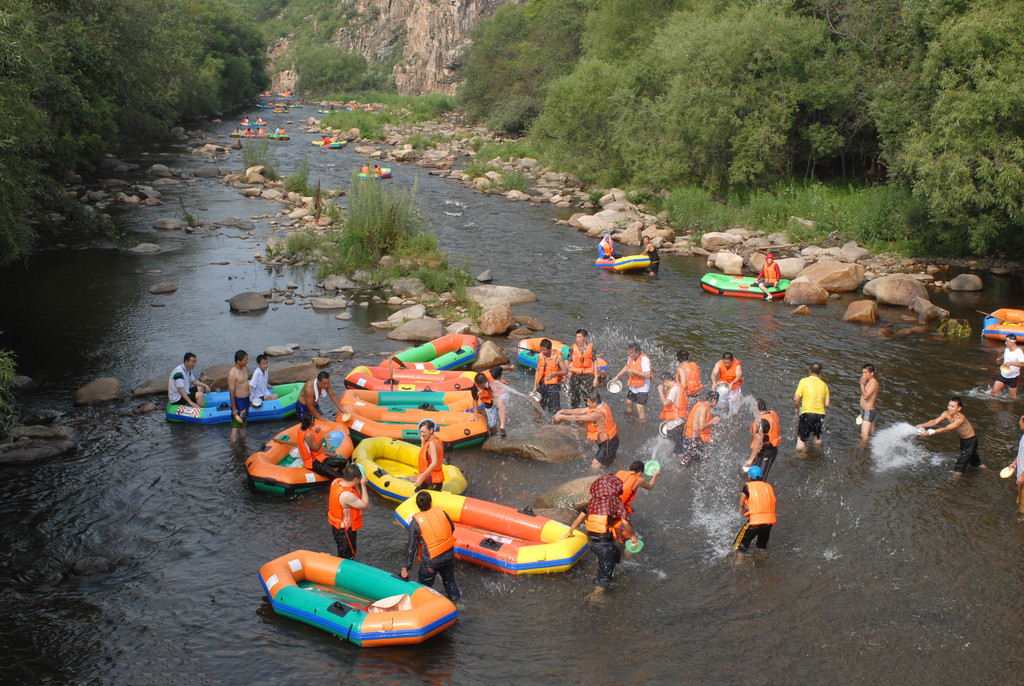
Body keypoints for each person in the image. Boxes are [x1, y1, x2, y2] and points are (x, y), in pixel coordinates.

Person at [561, 473, 638, 595]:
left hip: (592, 539)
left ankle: (603, 569)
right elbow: (625, 522)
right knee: (604, 581)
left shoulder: (592, 501)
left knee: (616, 553)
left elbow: (579, 519)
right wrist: (633, 536)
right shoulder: (615, 501)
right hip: (604, 543)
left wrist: (569, 532)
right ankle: (596, 597)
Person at [400, 491, 460, 601]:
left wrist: (406, 567)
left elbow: (412, 547)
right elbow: (452, 528)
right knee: (449, 581)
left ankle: (426, 606)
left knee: (424, 586)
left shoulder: (415, 522)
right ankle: (457, 604)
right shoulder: (441, 512)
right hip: (449, 554)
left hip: (432, 560)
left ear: (418, 506)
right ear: (431, 502)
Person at [917, 396, 988, 476]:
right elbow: (935, 421)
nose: (949, 408)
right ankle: (988, 472)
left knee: (960, 465)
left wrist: (930, 432)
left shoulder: (960, 419)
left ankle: (953, 481)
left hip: (971, 441)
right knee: (976, 462)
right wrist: (923, 425)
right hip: (963, 440)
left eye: (953, 406)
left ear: (959, 408)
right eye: (949, 405)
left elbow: (946, 429)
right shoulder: (946, 413)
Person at [553, 392, 619, 469]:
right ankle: (614, 470)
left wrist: (562, 417)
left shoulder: (597, 414)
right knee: (610, 463)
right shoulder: (600, 405)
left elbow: (579, 418)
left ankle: (594, 479)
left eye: (588, 402)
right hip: (610, 440)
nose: (587, 404)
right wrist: (564, 411)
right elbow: (581, 411)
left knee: (595, 466)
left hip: (608, 443)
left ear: (594, 402)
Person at [328, 464, 369, 559]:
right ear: (355, 480)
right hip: (345, 532)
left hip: (336, 527)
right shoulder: (346, 495)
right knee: (349, 556)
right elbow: (365, 505)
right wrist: (363, 486)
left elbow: (356, 494)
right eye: (359, 480)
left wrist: (358, 482)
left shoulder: (336, 482)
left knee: (341, 553)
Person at [733, 466, 776, 552]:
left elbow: (741, 502)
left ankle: (738, 563)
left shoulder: (747, 487)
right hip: (768, 523)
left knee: (739, 546)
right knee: (761, 547)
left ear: (749, 477)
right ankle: (762, 561)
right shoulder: (768, 486)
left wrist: (741, 507)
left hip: (755, 522)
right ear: (762, 475)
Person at [296, 413, 348, 481]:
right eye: (314, 420)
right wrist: (322, 439)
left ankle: (346, 477)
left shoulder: (303, 430)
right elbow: (316, 449)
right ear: (312, 422)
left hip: (319, 458)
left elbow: (310, 441)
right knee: (339, 478)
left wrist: (316, 432)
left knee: (345, 462)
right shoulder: (307, 435)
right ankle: (343, 481)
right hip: (314, 463)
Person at [611, 342, 652, 421]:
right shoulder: (631, 357)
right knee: (628, 403)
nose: (630, 355)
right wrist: (618, 376)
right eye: (629, 353)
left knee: (639, 408)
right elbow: (627, 367)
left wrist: (634, 371)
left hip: (643, 387)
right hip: (633, 385)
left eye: (632, 354)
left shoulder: (644, 360)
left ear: (638, 352)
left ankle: (642, 425)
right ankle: (629, 419)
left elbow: (648, 375)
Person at [794, 362, 830, 450]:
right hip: (820, 414)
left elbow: (796, 398)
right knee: (816, 437)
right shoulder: (824, 385)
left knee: (801, 439)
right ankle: (817, 452)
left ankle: (800, 456)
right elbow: (827, 404)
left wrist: (797, 408)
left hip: (807, 413)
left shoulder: (804, 381)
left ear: (810, 371)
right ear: (820, 372)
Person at [745, 398, 781, 477]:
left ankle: (758, 487)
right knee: (758, 473)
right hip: (773, 450)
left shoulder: (762, 422)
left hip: (766, 452)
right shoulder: (772, 414)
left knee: (758, 476)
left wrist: (751, 459)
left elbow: (758, 441)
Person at [682, 390, 720, 465]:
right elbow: (701, 427)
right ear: (715, 401)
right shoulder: (703, 409)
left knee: (704, 458)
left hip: (695, 438)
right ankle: (679, 472)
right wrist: (713, 421)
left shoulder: (701, 405)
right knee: (685, 462)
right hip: (692, 439)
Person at [531, 339, 567, 416]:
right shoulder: (540, 356)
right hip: (541, 385)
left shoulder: (558, 357)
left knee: (554, 409)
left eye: (544, 350)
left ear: (550, 349)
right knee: (537, 407)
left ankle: (555, 425)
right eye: (541, 349)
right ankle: (537, 425)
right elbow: (537, 371)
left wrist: (555, 373)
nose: (543, 352)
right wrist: (535, 386)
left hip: (553, 386)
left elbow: (565, 371)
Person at [658, 373, 688, 461]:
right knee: (676, 445)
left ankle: (682, 466)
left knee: (678, 450)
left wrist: (661, 392)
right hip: (680, 422)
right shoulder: (679, 386)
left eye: (664, 384)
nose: (665, 386)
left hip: (674, 423)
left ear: (666, 381)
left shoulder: (673, 390)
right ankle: (678, 461)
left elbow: (666, 402)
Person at [568, 329, 599, 409]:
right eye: (577, 337)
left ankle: (589, 415)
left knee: (588, 398)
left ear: (585, 338)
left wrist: (596, 378)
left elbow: (595, 362)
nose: (578, 339)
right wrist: (564, 374)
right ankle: (574, 417)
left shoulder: (591, 348)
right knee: (574, 398)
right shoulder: (572, 348)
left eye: (580, 337)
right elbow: (568, 361)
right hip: (575, 376)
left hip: (588, 376)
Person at [473, 372, 508, 438]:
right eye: (480, 387)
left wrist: (510, 368)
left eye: (483, 386)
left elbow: (501, 367)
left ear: (486, 381)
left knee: (501, 403)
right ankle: (494, 436)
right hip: (489, 402)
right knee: (492, 426)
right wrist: (475, 416)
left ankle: (502, 427)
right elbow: (475, 401)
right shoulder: (475, 388)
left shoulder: (493, 373)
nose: (482, 388)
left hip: (500, 395)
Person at [413, 419, 445, 491]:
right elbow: (424, 454)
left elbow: (434, 463)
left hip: (431, 480)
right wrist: (423, 441)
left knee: (415, 497)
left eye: (424, 432)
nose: (422, 434)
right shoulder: (437, 441)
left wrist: (421, 477)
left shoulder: (431, 444)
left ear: (431, 430)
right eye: (420, 432)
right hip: (436, 479)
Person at [990, 334, 1024, 400]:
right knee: (993, 392)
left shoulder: (1019, 352)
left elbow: (1022, 364)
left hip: (1013, 377)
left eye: (1007, 341)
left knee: (1012, 398)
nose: (1005, 343)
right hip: (1003, 375)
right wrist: (1000, 359)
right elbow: (1005, 355)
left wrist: (1011, 363)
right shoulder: (1007, 349)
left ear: (1012, 342)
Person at [227, 350, 250, 442]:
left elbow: (246, 385)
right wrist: (234, 408)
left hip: (246, 400)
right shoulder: (232, 373)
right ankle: (233, 447)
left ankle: (243, 443)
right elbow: (231, 392)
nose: (246, 362)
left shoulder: (245, 369)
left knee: (243, 423)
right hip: (238, 401)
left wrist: (250, 399)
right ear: (238, 361)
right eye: (245, 360)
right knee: (235, 426)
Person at [1005, 415, 1024, 514]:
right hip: (1021, 474)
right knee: (1019, 500)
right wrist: (1015, 462)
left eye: (1020, 421)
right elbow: (1022, 452)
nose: (1019, 423)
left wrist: (1022, 476)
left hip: (1023, 476)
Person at [859, 364, 879, 441]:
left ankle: (863, 449)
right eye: (863, 373)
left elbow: (866, 396)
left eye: (866, 373)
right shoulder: (869, 382)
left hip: (869, 411)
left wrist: (862, 385)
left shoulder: (874, 383)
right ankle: (871, 448)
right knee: (871, 433)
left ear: (872, 373)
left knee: (864, 435)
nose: (864, 375)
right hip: (865, 410)